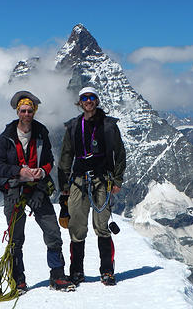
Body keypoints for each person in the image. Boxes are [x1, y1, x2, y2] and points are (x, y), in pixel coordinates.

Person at [0, 90, 74, 292]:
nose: (27, 114)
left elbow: (49, 162)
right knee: (15, 238)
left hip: (37, 189)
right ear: (17, 112)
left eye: (30, 111)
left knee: (53, 232)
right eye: (23, 110)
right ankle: (18, 279)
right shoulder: (6, 137)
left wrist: (42, 172)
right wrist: (18, 171)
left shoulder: (41, 133)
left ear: (34, 111)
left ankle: (57, 275)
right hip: (14, 191)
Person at [58, 86, 126, 286]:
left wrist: (117, 180)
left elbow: (119, 154)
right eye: (84, 98)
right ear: (80, 102)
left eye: (91, 98)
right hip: (79, 181)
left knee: (102, 226)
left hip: (102, 179)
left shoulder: (108, 125)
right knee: (77, 227)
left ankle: (107, 271)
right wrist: (64, 184)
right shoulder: (72, 127)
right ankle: (76, 272)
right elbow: (66, 156)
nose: (88, 101)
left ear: (96, 101)